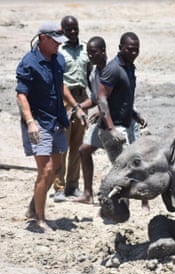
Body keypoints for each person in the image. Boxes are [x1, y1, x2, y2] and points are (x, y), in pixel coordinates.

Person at [16, 21, 87, 232]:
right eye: (55, 41)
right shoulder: (29, 63)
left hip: (57, 120)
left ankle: (33, 206)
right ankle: (40, 219)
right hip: (39, 122)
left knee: (55, 169)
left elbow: (61, 85)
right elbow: (21, 95)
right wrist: (30, 123)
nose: (59, 45)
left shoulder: (58, 59)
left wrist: (77, 107)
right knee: (45, 170)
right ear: (43, 39)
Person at [72, 33, 147, 207]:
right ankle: (93, 196)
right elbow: (101, 98)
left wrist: (135, 114)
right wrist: (110, 127)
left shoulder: (128, 67)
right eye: (130, 49)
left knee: (129, 164)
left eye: (137, 50)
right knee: (118, 164)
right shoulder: (110, 69)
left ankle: (139, 201)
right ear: (120, 48)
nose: (134, 53)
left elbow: (121, 97)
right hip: (111, 125)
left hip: (119, 122)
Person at [53, 15, 91, 202]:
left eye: (75, 28)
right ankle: (59, 187)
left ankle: (73, 186)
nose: (73, 32)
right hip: (64, 100)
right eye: (69, 29)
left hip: (82, 99)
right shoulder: (58, 51)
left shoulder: (86, 49)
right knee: (62, 145)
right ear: (62, 30)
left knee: (78, 145)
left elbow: (91, 75)